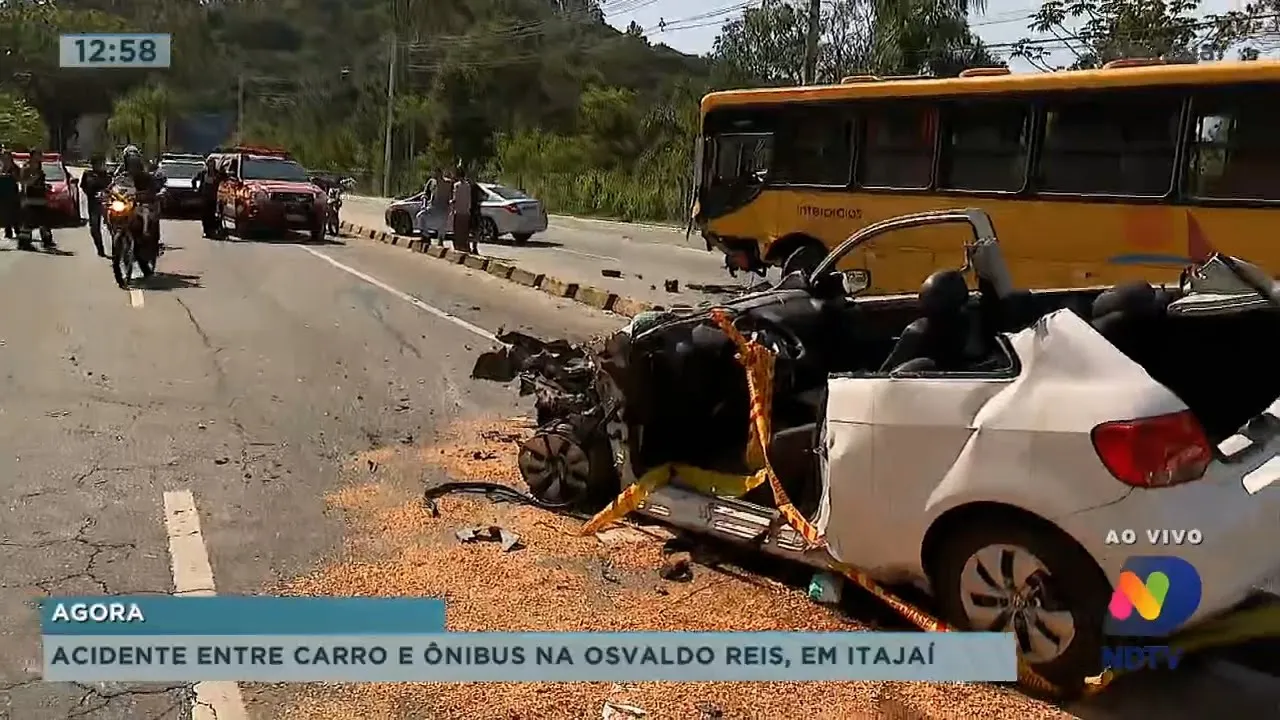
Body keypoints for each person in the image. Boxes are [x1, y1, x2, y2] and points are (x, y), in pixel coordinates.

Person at [112, 146, 166, 251]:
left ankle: (148, 237)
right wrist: (106, 193)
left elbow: (152, 188)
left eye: (134, 163)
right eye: (130, 162)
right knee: (111, 209)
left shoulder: (145, 176)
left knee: (148, 214)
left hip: (140, 203)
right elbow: (114, 185)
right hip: (126, 202)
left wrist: (147, 194)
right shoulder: (121, 174)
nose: (132, 166)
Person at [17, 148, 54, 251]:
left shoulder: (40, 168)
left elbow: (40, 182)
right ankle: (24, 243)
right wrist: (34, 178)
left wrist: (45, 186)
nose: (41, 157)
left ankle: (47, 241)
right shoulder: (26, 168)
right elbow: (24, 183)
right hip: (30, 198)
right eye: (38, 155)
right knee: (28, 223)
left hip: (40, 197)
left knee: (44, 221)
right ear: (32, 156)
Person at [80, 154, 112, 257]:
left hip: (107, 204)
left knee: (113, 225)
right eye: (98, 163)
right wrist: (91, 193)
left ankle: (118, 247)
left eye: (101, 163)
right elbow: (83, 186)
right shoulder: (88, 174)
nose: (100, 165)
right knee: (94, 227)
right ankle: (100, 249)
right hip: (93, 204)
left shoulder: (108, 175)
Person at [192, 157, 225, 238]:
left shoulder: (218, 174)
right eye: (210, 164)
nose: (211, 166)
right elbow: (194, 180)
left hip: (214, 198)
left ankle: (212, 231)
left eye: (213, 164)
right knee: (204, 215)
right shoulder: (203, 173)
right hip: (204, 197)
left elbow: (225, 179)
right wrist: (195, 189)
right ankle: (206, 231)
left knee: (212, 215)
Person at [419, 168, 451, 244]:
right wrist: (424, 204)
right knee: (420, 216)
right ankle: (426, 235)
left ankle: (440, 241)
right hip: (433, 206)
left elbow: (452, 194)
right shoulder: (431, 182)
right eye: (434, 173)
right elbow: (425, 194)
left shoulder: (448, 183)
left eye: (437, 173)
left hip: (443, 208)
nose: (435, 175)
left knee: (442, 225)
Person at [448, 164, 472, 252]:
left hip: (458, 211)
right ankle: (465, 246)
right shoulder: (468, 185)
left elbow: (455, 199)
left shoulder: (456, 185)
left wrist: (451, 204)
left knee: (458, 231)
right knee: (465, 231)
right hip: (466, 211)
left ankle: (458, 246)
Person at [0, 150, 18, 240]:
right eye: (4, 157)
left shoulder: (14, 168)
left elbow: (18, 178)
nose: (5, 159)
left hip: (12, 193)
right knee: (4, 213)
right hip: (2, 193)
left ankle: (17, 229)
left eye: (7, 157)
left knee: (13, 213)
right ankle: (8, 231)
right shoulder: (0, 167)